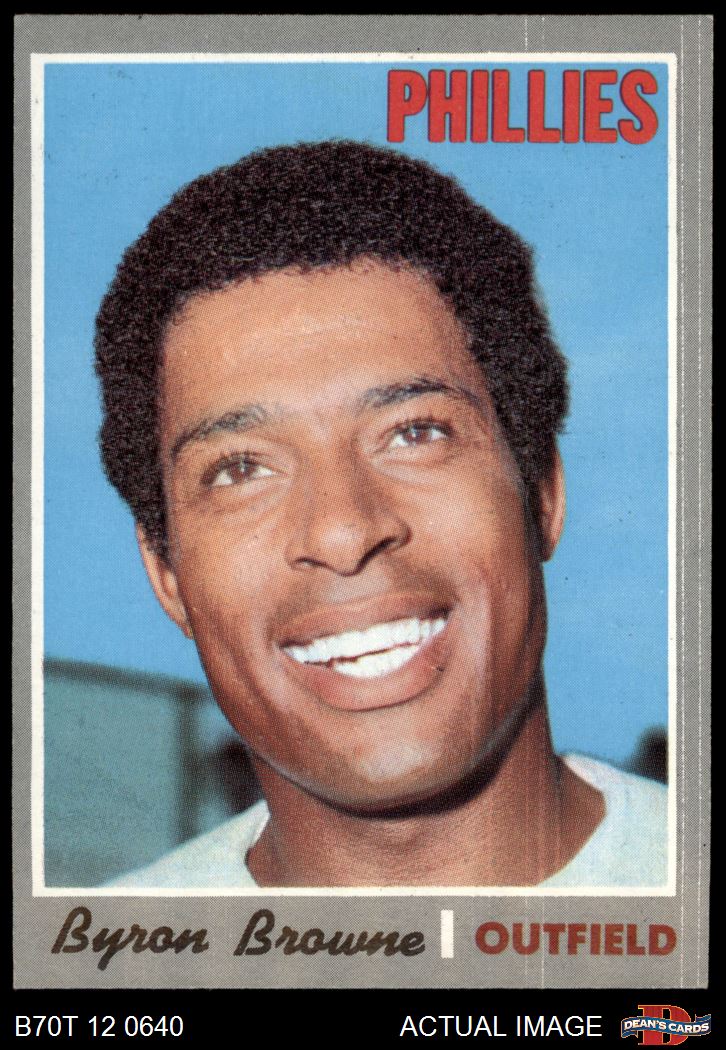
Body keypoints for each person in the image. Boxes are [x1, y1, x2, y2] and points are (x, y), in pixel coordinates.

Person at [96, 140, 666, 888]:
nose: (343, 531)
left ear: (542, 492)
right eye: (241, 469)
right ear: (166, 574)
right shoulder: (96, 947)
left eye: (415, 433)